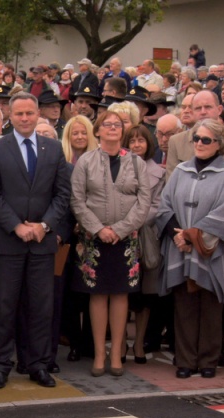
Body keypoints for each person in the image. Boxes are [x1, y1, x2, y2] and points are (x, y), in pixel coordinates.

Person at [0, 93, 72, 389]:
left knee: (41, 307)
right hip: (7, 242)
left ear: (37, 115)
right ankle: (1, 365)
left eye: (29, 113)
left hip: (43, 243)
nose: (24, 118)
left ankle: (38, 364)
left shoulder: (54, 148)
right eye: (18, 113)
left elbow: (62, 194)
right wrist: (16, 226)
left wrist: (45, 225)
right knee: (4, 307)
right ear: (10, 116)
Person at [156, 119, 224, 379]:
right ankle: (185, 360)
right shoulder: (181, 170)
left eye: (206, 140)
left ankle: (208, 360)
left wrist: (193, 236)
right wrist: (178, 235)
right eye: (196, 139)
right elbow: (164, 206)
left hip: (211, 251)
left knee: (211, 306)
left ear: (218, 144)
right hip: (180, 248)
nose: (200, 144)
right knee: (184, 305)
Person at [70, 112, 152, 376]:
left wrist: (120, 229)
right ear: (98, 131)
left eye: (118, 125)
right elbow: (77, 201)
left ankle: (116, 353)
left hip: (126, 239)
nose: (113, 128)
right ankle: (98, 354)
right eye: (107, 125)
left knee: (120, 294)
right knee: (97, 295)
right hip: (94, 239)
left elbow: (144, 202)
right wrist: (97, 229)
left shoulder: (137, 162)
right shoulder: (86, 160)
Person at [123, 124, 166, 364]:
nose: (137, 145)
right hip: (121, 238)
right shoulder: (117, 169)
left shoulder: (160, 173)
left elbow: (157, 207)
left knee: (144, 297)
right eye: (132, 141)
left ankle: (139, 343)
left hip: (145, 239)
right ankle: (120, 343)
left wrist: (132, 221)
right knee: (122, 294)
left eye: (141, 140)